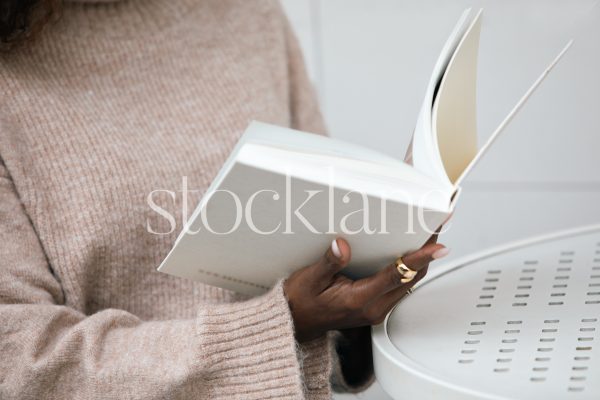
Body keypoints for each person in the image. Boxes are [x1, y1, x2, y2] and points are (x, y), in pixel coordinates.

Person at [0, 0, 449, 398]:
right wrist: (283, 325)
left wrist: (372, 269)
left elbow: (321, 233)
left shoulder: (245, 12)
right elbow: (16, 360)